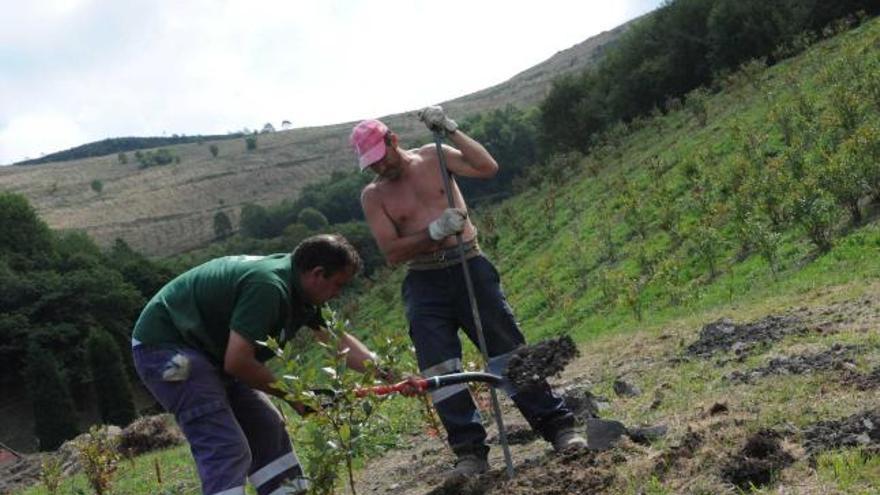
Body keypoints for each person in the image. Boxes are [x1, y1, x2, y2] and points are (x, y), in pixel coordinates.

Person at [351, 107, 587, 478]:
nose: (379, 168)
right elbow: (393, 253)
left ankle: (560, 427)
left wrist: (450, 130)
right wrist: (431, 233)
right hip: (424, 280)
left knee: (509, 351)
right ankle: (469, 453)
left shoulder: (435, 155)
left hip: (468, 264)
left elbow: (486, 167)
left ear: (393, 140)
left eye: (381, 158)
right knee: (440, 367)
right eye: (372, 165)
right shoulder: (373, 196)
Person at [131, 234, 385, 495]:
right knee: (225, 446)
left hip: (209, 354)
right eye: (337, 285)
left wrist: (389, 374)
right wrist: (296, 396)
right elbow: (238, 362)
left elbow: (337, 341)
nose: (337, 294)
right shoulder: (268, 286)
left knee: (267, 430)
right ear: (317, 274)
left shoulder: (301, 290)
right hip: (167, 351)